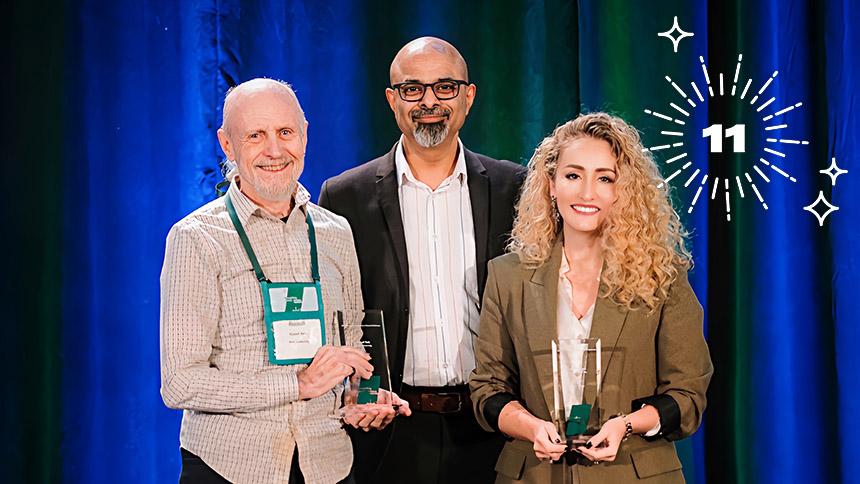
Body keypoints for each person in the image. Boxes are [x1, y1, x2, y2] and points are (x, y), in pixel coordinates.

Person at [160, 78, 409, 484]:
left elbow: (352, 352)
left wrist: (359, 398)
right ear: (227, 145)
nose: (274, 150)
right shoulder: (196, 239)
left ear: (305, 135)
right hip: (231, 468)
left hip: (326, 464)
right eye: (255, 135)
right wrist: (296, 384)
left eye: (285, 132)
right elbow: (179, 383)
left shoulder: (335, 232)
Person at [318, 37, 526, 483]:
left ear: (468, 97)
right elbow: (334, 314)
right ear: (393, 100)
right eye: (412, 89)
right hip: (389, 427)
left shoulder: (515, 188)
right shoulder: (344, 197)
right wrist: (355, 391)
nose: (429, 101)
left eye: (445, 87)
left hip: (494, 425)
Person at [469, 113, 713, 483]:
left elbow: (687, 395)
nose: (587, 193)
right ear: (551, 185)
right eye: (573, 175)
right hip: (534, 475)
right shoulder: (507, 275)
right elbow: (487, 388)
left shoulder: (662, 276)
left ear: (624, 190)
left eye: (605, 178)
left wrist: (627, 425)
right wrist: (530, 426)